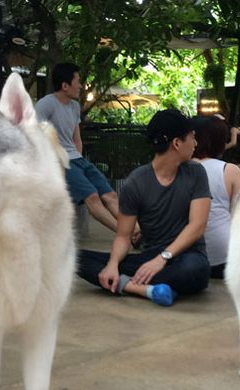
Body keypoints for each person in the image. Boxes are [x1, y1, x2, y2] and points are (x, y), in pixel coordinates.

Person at [77, 109, 211, 306]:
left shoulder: (196, 173)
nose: (196, 143)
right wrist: (113, 265)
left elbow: (197, 226)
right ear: (176, 143)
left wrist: (162, 259)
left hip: (187, 257)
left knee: (195, 270)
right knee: (75, 258)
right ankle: (145, 289)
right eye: (192, 137)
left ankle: (128, 285)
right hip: (149, 257)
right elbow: (123, 236)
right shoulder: (136, 182)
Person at [35, 62, 121, 233]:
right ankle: (124, 233)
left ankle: (138, 231)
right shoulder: (46, 104)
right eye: (78, 81)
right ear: (65, 85)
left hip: (78, 160)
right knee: (93, 197)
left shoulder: (74, 106)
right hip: (61, 161)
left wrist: (79, 162)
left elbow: (77, 139)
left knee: (110, 195)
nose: (81, 86)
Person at [191, 116, 240, 279]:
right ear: (221, 141)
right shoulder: (230, 170)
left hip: (187, 255)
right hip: (224, 257)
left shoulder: (182, 168)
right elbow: (238, 216)